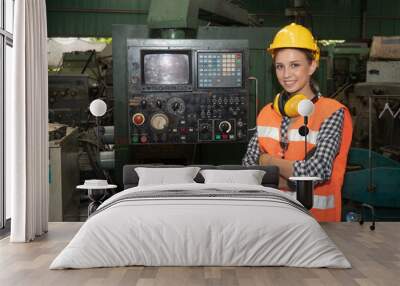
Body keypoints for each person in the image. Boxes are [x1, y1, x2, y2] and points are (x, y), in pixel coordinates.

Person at [242, 23, 353, 222]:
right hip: (270, 220)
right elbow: (248, 168)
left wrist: (268, 161)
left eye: (295, 65)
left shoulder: (332, 112)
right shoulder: (267, 112)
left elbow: (317, 171)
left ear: (312, 65)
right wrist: (290, 173)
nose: (286, 75)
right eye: (280, 66)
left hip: (317, 223)